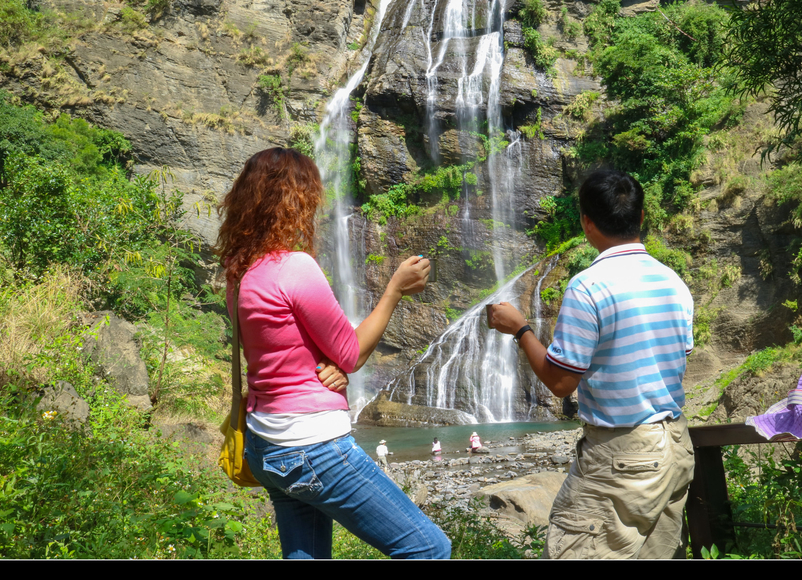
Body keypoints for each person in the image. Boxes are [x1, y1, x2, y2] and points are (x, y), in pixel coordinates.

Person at [215, 148, 451, 560]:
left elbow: (273, 350)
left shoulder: (238, 271)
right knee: (429, 548)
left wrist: (330, 369)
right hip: (312, 445)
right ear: (296, 200)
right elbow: (351, 352)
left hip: (266, 445)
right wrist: (394, 288)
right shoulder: (295, 268)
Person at [487, 169, 695, 559]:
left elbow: (562, 382)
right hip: (675, 447)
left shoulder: (589, 285)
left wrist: (521, 330)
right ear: (642, 216)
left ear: (586, 221)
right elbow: (678, 358)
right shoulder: (673, 282)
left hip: (623, 456)